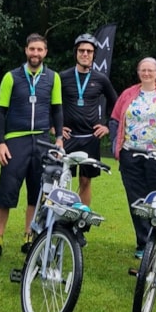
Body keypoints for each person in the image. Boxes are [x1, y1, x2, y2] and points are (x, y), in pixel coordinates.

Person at [0, 33, 63, 262]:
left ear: (45, 52)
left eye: (40, 50)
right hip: (15, 140)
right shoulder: (11, 77)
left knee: (36, 192)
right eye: (32, 49)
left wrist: (58, 138)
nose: (36, 53)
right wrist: (1, 142)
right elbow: (0, 111)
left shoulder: (53, 78)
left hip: (41, 140)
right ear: (26, 50)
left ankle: (28, 236)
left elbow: (57, 109)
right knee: (6, 192)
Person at [109, 57, 156, 259]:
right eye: (143, 70)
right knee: (137, 201)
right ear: (138, 72)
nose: (147, 73)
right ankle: (143, 243)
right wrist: (114, 142)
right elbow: (115, 119)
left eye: (151, 70)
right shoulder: (128, 94)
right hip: (130, 155)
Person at [59, 33, 118, 206]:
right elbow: (50, 103)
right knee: (61, 178)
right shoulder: (62, 77)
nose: (85, 54)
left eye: (89, 51)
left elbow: (116, 104)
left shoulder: (101, 79)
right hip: (67, 138)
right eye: (82, 51)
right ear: (76, 53)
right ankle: (57, 219)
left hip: (89, 139)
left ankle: (81, 220)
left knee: (85, 181)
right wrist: (54, 126)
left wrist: (107, 126)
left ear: (94, 54)